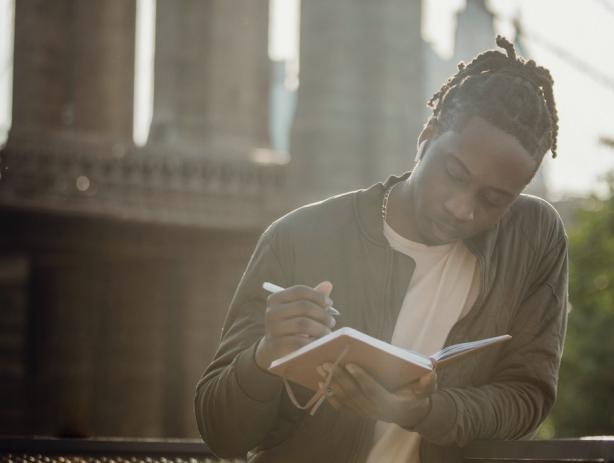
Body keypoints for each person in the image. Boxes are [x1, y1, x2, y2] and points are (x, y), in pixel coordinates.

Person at [195, 36, 568, 462]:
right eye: (454, 173)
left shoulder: (534, 237)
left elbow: (526, 396)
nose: (462, 208)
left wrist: (424, 412)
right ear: (426, 137)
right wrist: (265, 355)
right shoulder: (298, 236)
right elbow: (220, 433)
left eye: (493, 200)